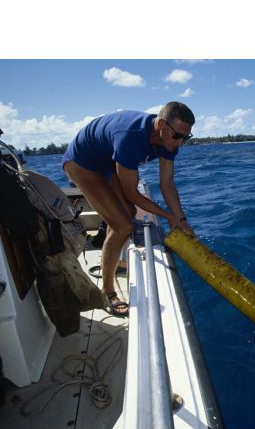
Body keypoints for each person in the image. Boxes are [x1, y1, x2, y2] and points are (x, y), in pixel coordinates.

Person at [62, 101, 195, 317]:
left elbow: (167, 184)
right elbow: (132, 192)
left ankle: (115, 259)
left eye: (186, 138)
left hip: (107, 160)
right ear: (161, 124)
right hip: (81, 162)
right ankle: (106, 292)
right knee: (122, 225)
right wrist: (168, 216)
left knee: (130, 214)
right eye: (178, 136)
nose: (180, 143)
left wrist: (180, 219)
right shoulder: (130, 138)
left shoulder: (169, 141)